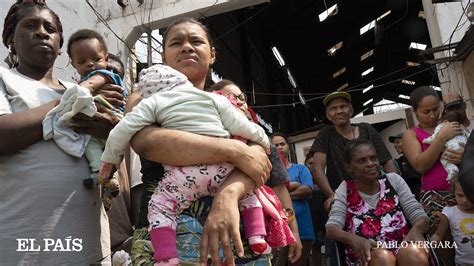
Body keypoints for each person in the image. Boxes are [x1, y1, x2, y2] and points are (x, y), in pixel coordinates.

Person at [127, 18, 299, 265]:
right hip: (166, 238)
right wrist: (236, 151)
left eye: (196, 41)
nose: (187, 47)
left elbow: (259, 161)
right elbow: (148, 143)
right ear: (164, 57)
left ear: (213, 54)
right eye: (176, 43)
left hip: (237, 230)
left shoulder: (226, 103)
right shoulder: (145, 95)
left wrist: (228, 196)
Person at [100, 64, 274, 264]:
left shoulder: (154, 101)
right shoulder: (215, 99)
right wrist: (261, 142)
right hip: (224, 169)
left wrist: (109, 161)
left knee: (160, 207)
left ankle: (166, 256)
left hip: (185, 177)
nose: (186, 48)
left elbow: (122, 131)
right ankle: (257, 235)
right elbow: (243, 127)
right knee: (249, 195)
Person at [0, 0, 124, 263]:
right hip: (24, 245)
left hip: (89, 245)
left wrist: (110, 130)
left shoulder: (80, 88)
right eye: (30, 25)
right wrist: (71, 101)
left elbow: (112, 156)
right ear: (10, 38)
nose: (43, 32)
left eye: (51, 28)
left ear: (60, 47)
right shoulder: (4, 79)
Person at [309, 91, 397, 265]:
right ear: (328, 115)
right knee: (337, 245)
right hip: (343, 198)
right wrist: (330, 195)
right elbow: (318, 167)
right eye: (333, 109)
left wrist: (393, 188)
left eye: (343, 106)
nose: (339, 111)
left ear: (351, 110)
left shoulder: (367, 129)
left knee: (388, 238)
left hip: (375, 193)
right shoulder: (326, 134)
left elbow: (387, 160)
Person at [326, 139, 429, 266]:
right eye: (361, 161)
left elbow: (419, 215)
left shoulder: (393, 180)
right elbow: (331, 229)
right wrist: (355, 240)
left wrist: (416, 230)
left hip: (404, 248)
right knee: (381, 259)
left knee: (413, 254)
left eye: (373, 158)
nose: (370, 164)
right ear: (349, 167)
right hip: (368, 255)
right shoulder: (345, 189)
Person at [60, 28, 127, 210]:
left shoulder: (102, 75)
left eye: (96, 59)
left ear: (106, 58)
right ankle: (107, 188)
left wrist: (69, 97)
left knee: (91, 147)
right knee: (102, 154)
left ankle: (100, 176)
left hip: (110, 119)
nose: (90, 65)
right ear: (73, 65)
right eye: (82, 61)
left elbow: (85, 88)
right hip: (105, 127)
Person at [402, 86, 465, 265]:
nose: (432, 115)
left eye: (436, 109)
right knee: (444, 245)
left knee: (467, 238)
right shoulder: (411, 134)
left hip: (463, 192)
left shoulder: (450, 124)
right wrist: (440, 138)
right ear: (414, 112)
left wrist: (464, 155)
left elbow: (465, 144)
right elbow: (420, 165)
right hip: (435, 197)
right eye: (426, 111)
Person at [271, 133, 315, 266]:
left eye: (282, 144)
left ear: (288, 146)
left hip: (302, 226)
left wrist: (282, 197)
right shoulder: (268, 170)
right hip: (277, 228)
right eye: (275, 145)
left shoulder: (301, 169)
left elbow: (307, 190)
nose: (279, 147)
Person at [431, 177, 474, 265]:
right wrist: (428, 248)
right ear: (454, 192)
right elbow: (438, 235)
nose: (464, 200)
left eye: (469, 195)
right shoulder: (450, 213)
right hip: (463, 263)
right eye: (460, 195)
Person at [423, 110, 470, 182]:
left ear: (445, 121)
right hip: (463, 146)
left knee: (444, 158)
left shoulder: (442, 126)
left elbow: (435, 137)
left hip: (451, 147)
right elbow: (469, 136)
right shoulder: (461, 127)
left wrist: (426, 140)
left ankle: (452, 170)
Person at [304, 152, 324, 266]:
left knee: (317, 249)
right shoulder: (302, 180)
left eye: (315, 163)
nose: (313, 166)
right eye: (310, 163)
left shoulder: (323, 180)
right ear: (305, 164)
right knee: (303, 250)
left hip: (319, 221)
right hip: (306, 220)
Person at [388, 132, 422, 199]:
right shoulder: (398, 162)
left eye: (397, 142)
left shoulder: (419, 156)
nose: (395, 145)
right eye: (394, 143)